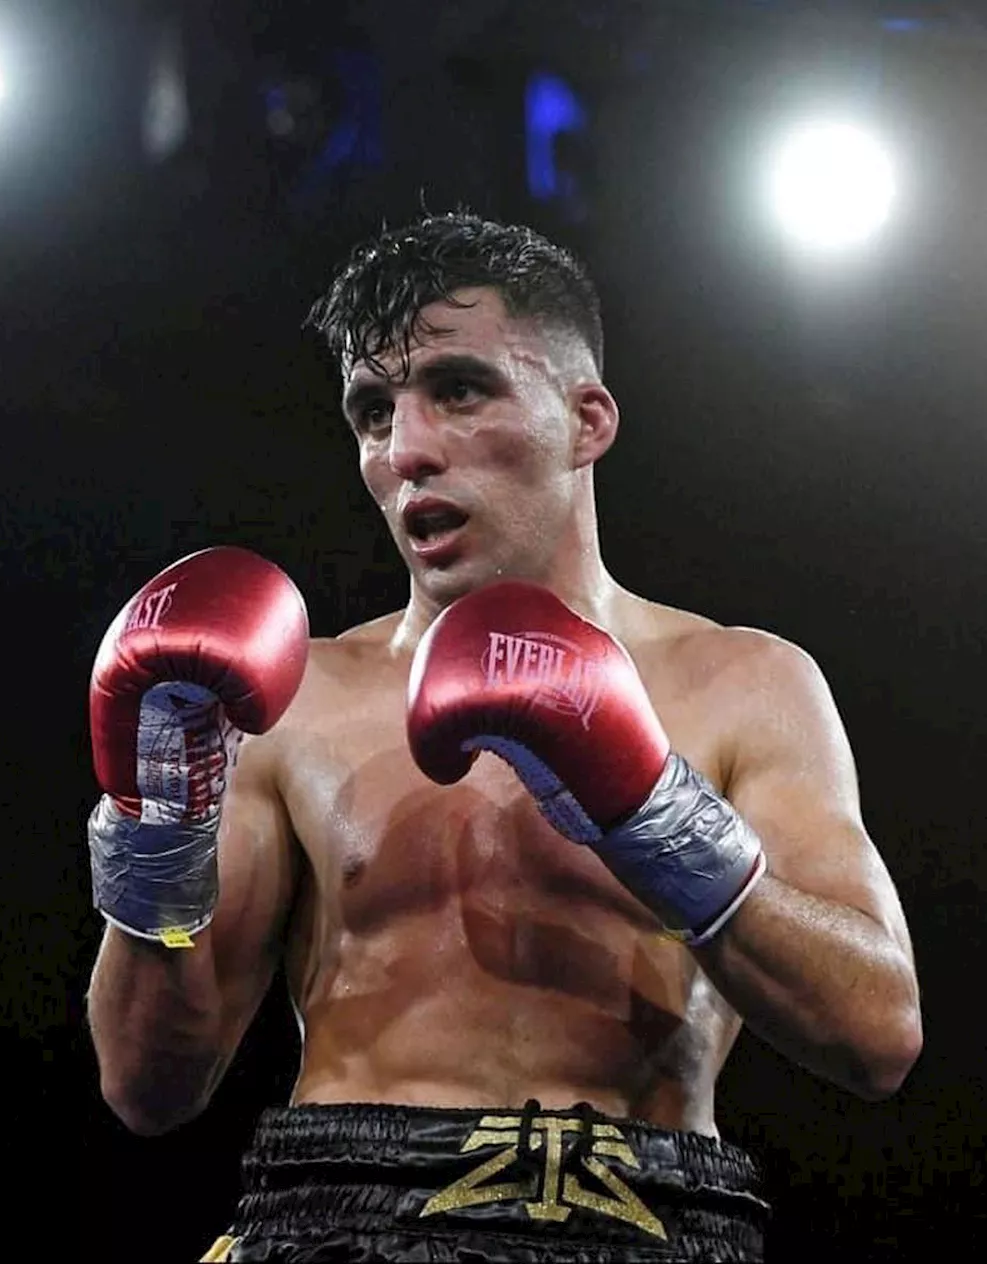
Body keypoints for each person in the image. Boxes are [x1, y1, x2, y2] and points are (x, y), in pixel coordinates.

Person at [85, 213, 923, 1262]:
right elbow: (146, 1084)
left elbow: (877, 1032)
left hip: (647, 1215)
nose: (407, 450)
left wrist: (650, 805)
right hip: (338, 1212)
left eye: (459, 389)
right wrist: (157, 823)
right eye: (371, 411)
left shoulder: (743, 683)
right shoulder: (296, 701)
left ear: (587, 420)